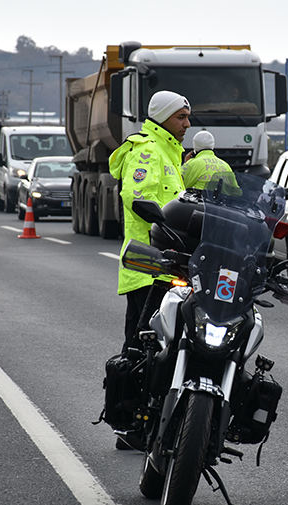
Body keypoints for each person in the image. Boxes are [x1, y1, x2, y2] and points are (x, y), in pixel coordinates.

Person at [108, 90, 190, 355]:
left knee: (173, 346)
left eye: (187, 118)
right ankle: (128, 398)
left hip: (172, 264)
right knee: (141, 348)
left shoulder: (170, 153)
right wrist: (164, 225)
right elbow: (136, 197)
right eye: (181, 117)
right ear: (164, 118)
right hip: (148, 263)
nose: (187, 124)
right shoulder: (147, 152)